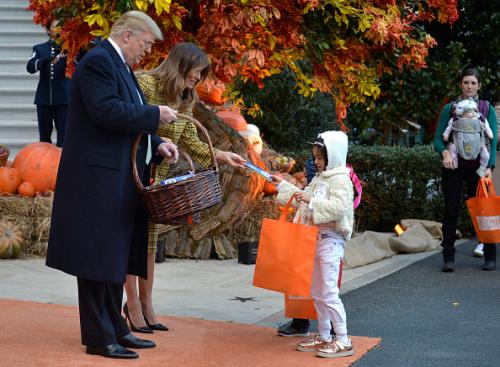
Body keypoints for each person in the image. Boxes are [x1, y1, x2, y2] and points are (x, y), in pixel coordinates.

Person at [45, 11, 179, 359]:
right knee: (95, 258)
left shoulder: (118, 65)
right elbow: (107, 111)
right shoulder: (98, 62)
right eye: (146, 44)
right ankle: (99, 337)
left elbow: (128, 109)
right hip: (95, 179)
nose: (145, 53)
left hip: (113, 177)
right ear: (128, 35)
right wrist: (155, 116)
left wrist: (156, 139)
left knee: (112, 256)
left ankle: (116, 327)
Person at [123, 42, 246, 333]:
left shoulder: (185, 97)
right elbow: (129, 123)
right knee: (130, 241)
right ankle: (132, 305)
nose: (198, 78)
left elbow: (189, 135)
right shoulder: (145, 84)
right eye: (197, 71)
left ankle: (147, 302)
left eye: (202, 74)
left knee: (150, 241)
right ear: (181, 64)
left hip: (159, 178)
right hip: (133, 171)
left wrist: (220, 155)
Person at [272, 131, 354, 359]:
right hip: (315, 240)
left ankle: (343, 339)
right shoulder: (320, 178)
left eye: (320, 158)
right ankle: (325, 335)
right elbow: (302, 196)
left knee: (328, 292)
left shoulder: (340, 179)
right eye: (315, 157)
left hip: (331, 240)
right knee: (317, 291)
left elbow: (340, 207)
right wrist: (281, 186)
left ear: (333, 155)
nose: (315, 162)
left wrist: (312, 200)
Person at [433, 66, 498, 272]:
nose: (469, 86)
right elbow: (437, 139)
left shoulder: (486, 109)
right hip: (454, 166)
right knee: (451, 210)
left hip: (478, 169)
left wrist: (490, 166)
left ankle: (490, 255)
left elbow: (492, 139)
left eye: (473, 83)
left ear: (479, 85)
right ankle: (448, 256)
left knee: (483, 211)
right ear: (460, 84)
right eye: (466, 82)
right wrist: (444, 153)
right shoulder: (450, 109)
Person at [26, 19, 70, 147]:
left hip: (64, 100)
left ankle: (61, 167)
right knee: (44, 139)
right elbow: (30, 67)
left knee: (64, 139)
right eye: (56, 27)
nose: (60, 29)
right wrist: (46, 60)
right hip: (44, 99)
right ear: (48, 30)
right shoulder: (39, 48)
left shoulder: (70, 47)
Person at [442, 98, 493, 177]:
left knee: (485, 155)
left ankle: (482, 168)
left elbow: (487, 127)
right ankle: (455, 161)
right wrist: (446, 135)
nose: (470, 114)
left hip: (478, 145)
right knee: (452, 148)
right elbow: (449, 127)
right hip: (459, 143)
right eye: (467, 112)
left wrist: (490, 134)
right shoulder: (456, 119)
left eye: (472, 111)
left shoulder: (480, 118)